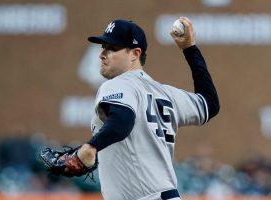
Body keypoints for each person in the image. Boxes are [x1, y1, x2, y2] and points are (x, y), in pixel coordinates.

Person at [65, 17, 220, 200]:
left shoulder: (118, 84)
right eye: (103, 47)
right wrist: (190, 49)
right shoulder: (166, 94)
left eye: (112, 48)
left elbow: (122, 121)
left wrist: (91, 147)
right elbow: (209, 104)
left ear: (134, 54)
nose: (102, 54)